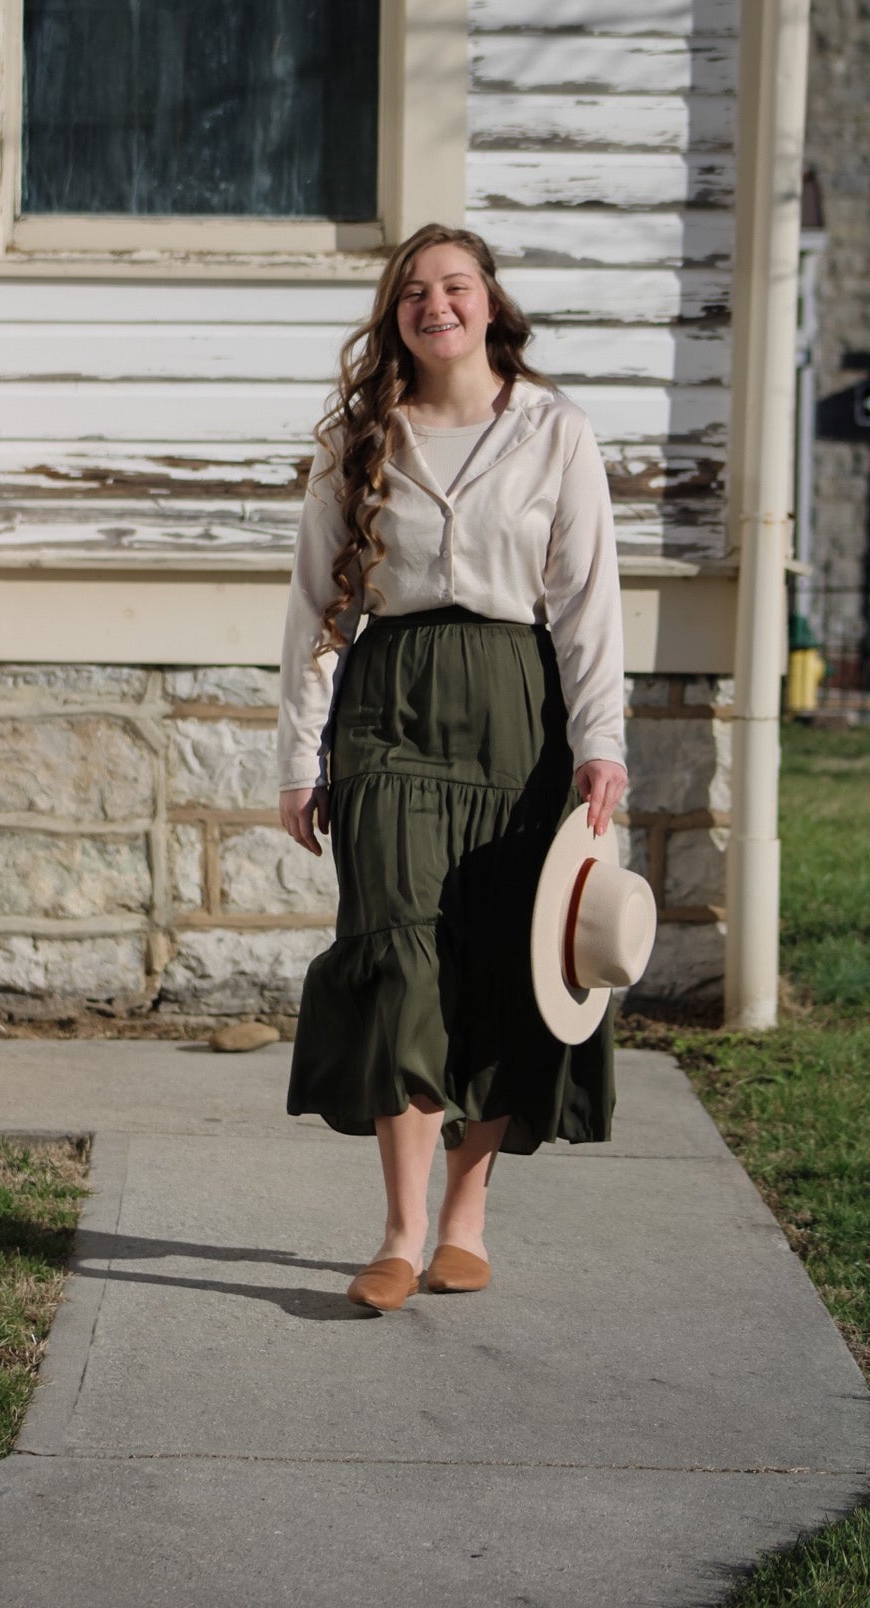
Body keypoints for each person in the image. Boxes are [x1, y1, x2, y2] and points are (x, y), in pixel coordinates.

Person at [276, 223, 628, 1313]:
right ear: (396, 314)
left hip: (515, 706)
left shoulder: (553, 431)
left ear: (489, 303)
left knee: (500, 963)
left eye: (457, 286)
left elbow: (585, 603)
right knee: (400, 959)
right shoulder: (360, 439)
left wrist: (601, 743)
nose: (438, 304)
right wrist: (299, 755)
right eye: (417, 290)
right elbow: (316, 608)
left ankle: (465, 1223)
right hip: (389, 706)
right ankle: (396, 1231)